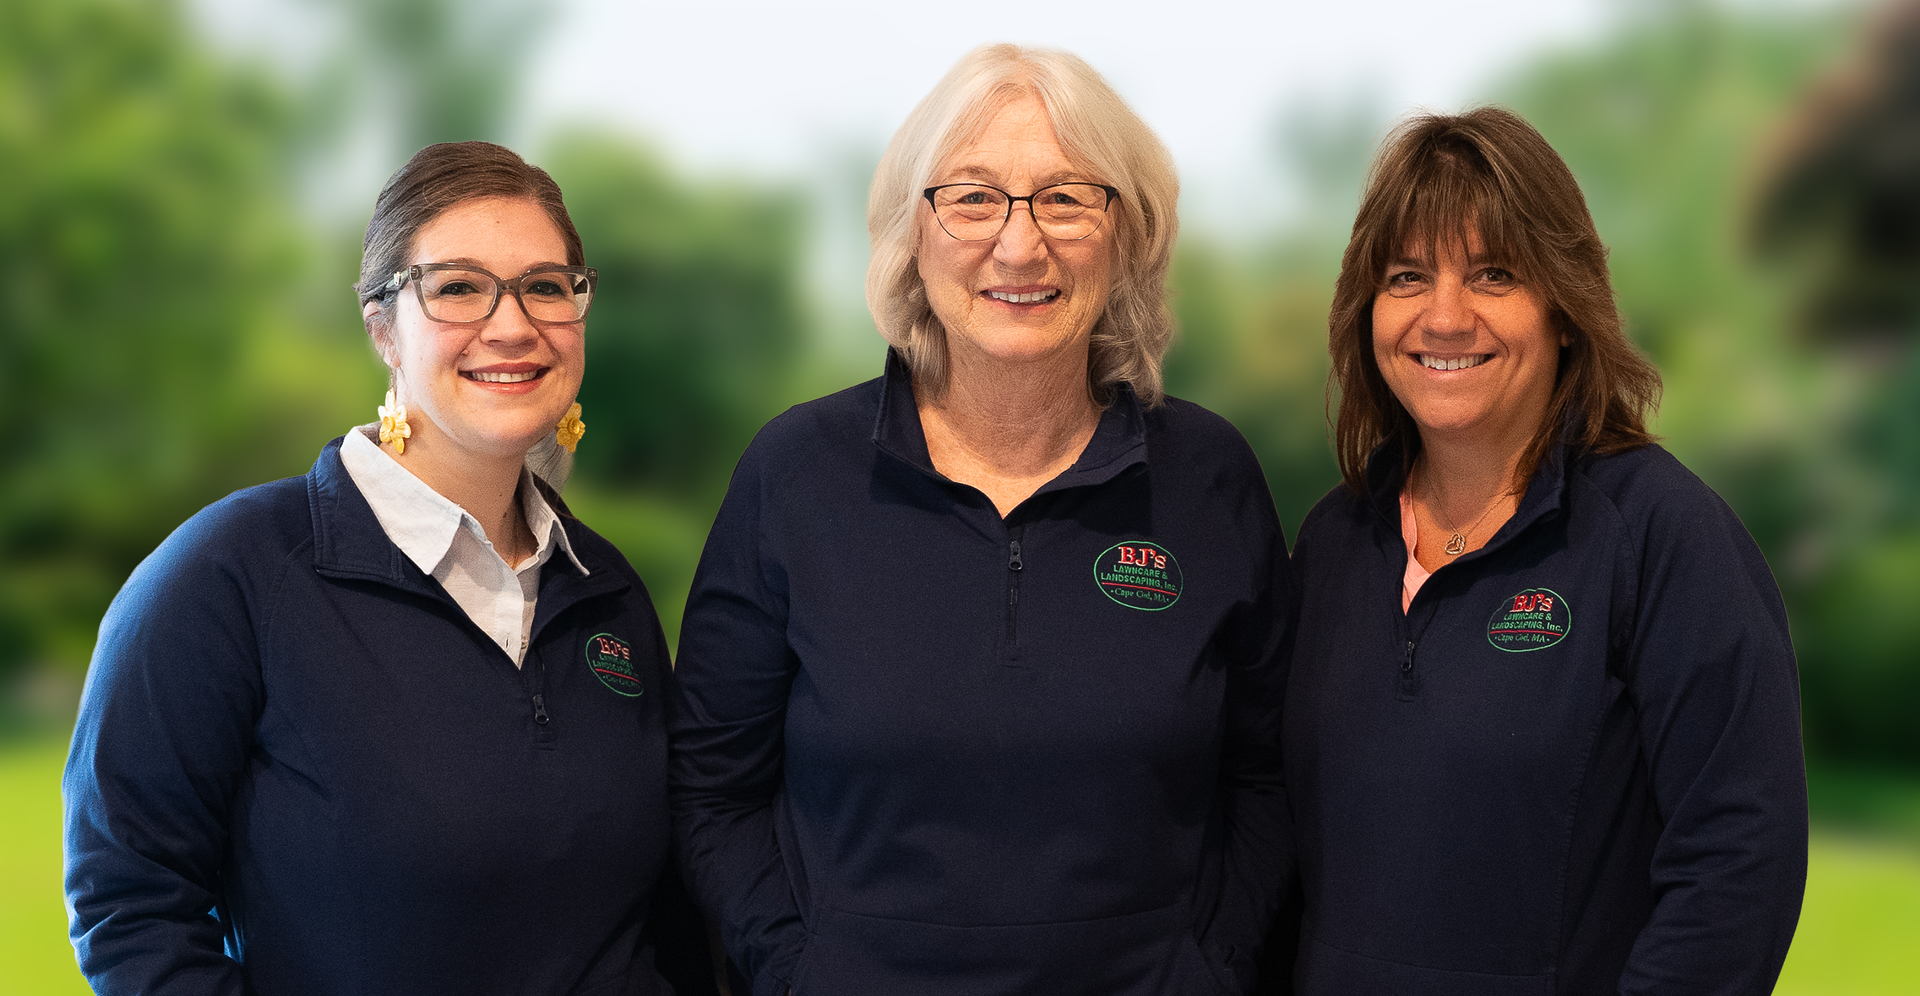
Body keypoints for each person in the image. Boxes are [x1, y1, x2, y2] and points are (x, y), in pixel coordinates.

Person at [668, 43, 1294, 996]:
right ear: (910, 234)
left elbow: (1267, 776)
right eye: (972, 197)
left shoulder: (1209, 479)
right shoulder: (794, 475)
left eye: (1066, 198)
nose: (1019, 243)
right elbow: (714, 785)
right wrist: (802, 968)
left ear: (1128, 235)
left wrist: (1208, 966)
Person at [64, 141, 714, 996]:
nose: (512, 324)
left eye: (548, 286)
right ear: (382, 329)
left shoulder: (606, 588)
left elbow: (667, 905)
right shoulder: (225, 577)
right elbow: (130, 905)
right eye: (457, 288)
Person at [1279, 107, 1807, 994]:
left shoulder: (1663, 536)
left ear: (1565, 308)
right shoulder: (1335, 540)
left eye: (1493, 274)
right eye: (1407, 276)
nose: (1445, 316)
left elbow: (1738, 866)